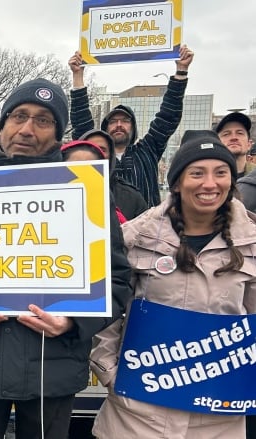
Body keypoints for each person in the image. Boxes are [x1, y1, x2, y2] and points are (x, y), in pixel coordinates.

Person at [0, 79, 132, 439]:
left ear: (58, 135)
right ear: (2, 124)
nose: (27, 129)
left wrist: (73, 323)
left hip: (53, 371)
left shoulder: (85, 194)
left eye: (43, 121)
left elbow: (118, 279)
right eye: (19, 116)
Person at [91, 130, 255, 438]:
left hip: (218, 416)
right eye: (197, 173)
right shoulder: (136, 236)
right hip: (135, 415)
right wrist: (109, 372)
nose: (210, 183)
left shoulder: (252, 242)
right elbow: (107, 312)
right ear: (177, 182)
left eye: (220, 173)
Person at [68, 45, 195, 207]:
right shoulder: (96, 154)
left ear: (133, 128)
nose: (119, 125)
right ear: (105, 129)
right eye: (113, 121)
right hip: (106, 229)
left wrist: (182, 71)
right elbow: (81, 124)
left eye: (125, 121)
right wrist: (77, 76)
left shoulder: (147, 151)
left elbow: (167, 117)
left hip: (145, 229)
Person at [78, 129, 148, 221]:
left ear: (110, 156)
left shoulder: (132, 198)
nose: (95, 153)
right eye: (89, 148)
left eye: (102, 149)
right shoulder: (60, 190)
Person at [216, 111, 254, 179]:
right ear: (217, 143)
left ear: (249, 144)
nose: (234, 138)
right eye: (226, 134)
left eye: (240, 133)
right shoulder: (207, 179)